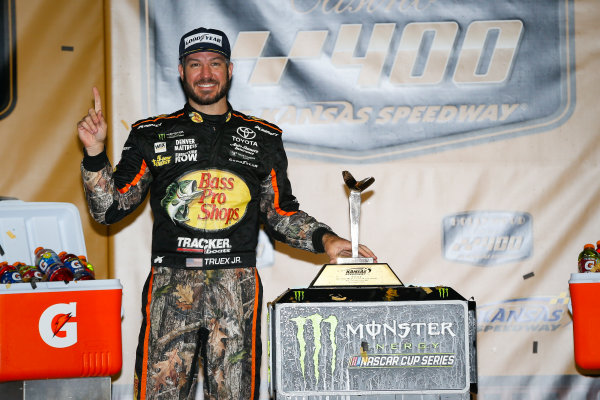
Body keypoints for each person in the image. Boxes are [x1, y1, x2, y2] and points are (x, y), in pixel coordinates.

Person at [77, 27, 376, 400]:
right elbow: (109, 209)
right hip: (172, 285)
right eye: (195, 64)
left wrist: (326, 239)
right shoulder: (151, 134)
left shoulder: (262, 137)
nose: (206, 73)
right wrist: (94, 153)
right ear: (181, 72)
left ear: (230, 70)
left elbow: (280, 212)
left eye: (215, 63)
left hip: (236, 286)